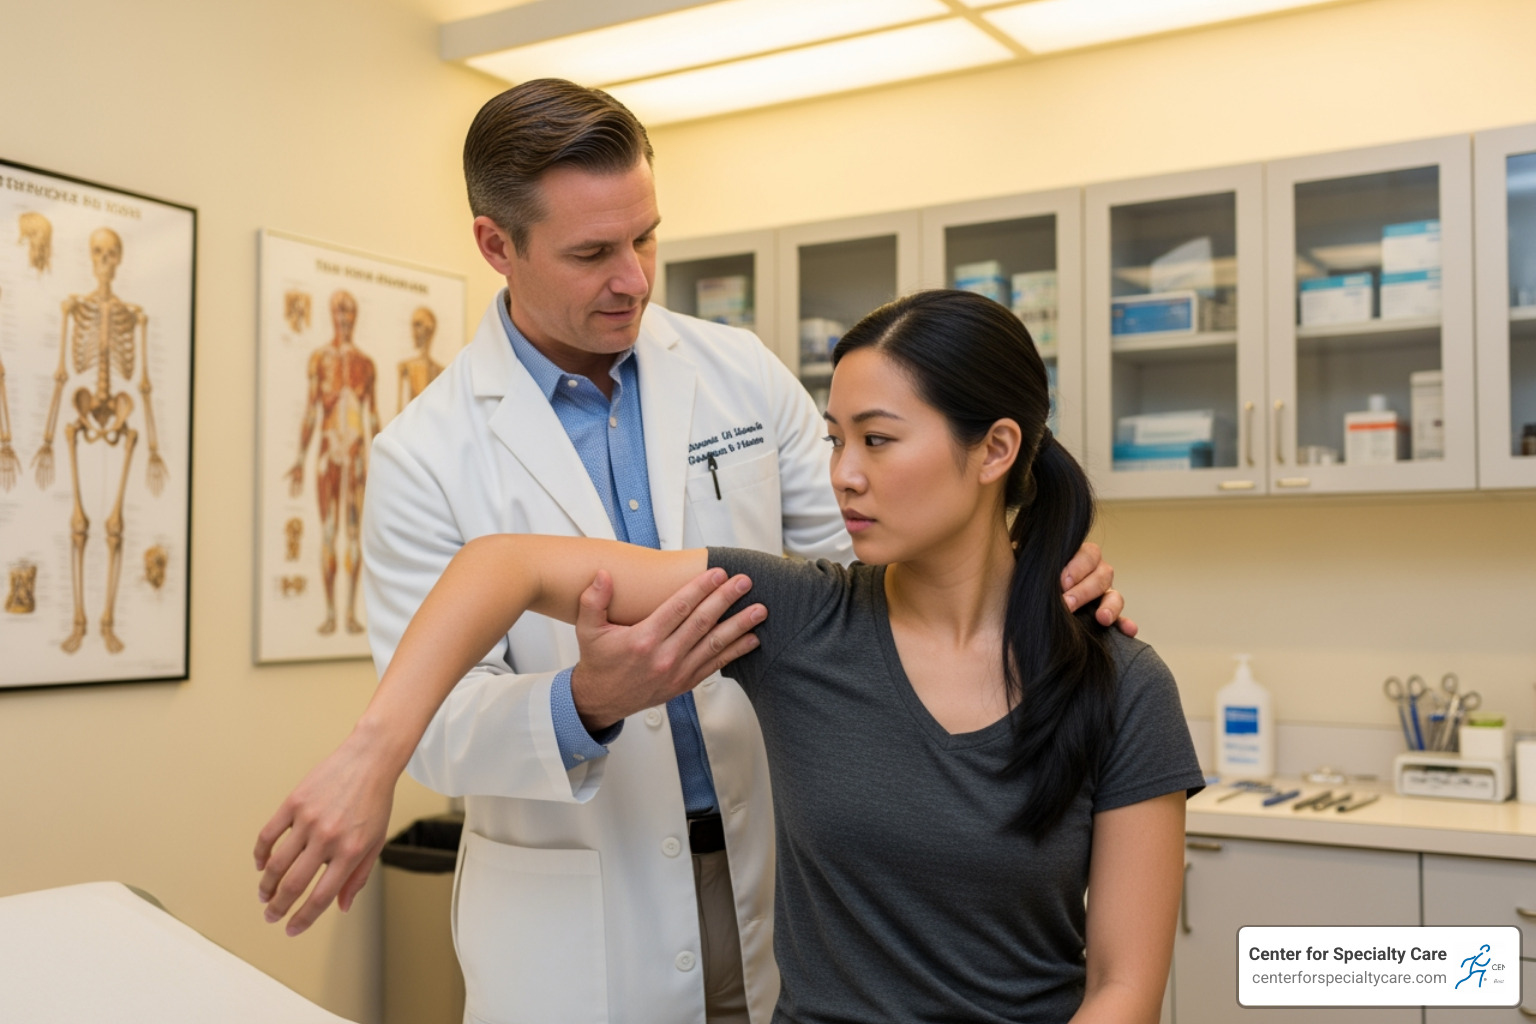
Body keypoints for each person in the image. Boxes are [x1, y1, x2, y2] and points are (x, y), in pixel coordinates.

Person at [256, 81, 1129, 1024]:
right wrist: (587, 701)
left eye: (645, 238)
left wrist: (1027, 564)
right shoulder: (426, 453)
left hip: (783, 875)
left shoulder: (738, 372)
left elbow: (883, 564)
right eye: (592, 253)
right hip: (585, 912)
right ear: (495, 246)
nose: (633, 278)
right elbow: (437, 723)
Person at [286, 289, 379, 636]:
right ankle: (329, 613)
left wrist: (382, 463)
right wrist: (298, 457)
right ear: (331, 314)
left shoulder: (365, 364)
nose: (344, 318)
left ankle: (351, 614)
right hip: (327, 450)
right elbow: (312, 409)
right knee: (328, 531)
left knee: (354, 533)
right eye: (339, 311)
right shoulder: (319, 358)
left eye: (349, 312)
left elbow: (372, 416)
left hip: (355, 453)